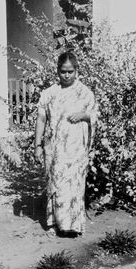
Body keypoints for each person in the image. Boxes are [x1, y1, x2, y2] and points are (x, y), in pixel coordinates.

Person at [34, 51, 97, 237]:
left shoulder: (84, 93)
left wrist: (83, 115)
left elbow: (95, 116)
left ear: (77, 70)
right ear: (57, 71)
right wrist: (37, 146)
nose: (67, 75)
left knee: (75, 185)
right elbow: (41, 119)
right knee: (55, 184)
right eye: (63, 71)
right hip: (55, 149)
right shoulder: (49, 93)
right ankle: (54, 224)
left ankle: (74, 226)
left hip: (76, 149)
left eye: (70, 71)